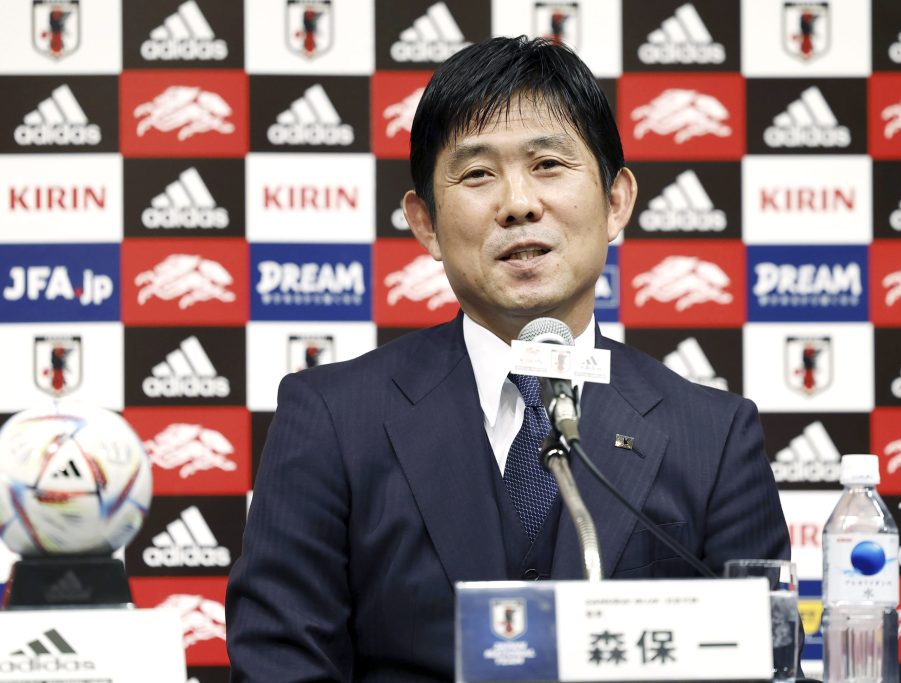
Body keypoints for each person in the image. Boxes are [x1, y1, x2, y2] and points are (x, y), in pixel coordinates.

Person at [226, 36, 792, 682]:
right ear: (426, 224)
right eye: (477, 174)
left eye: (549, 163)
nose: (519, 202)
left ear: (615, 202)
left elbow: (764, 663)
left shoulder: (713, 435)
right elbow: (281, 664)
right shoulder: (331, 418)